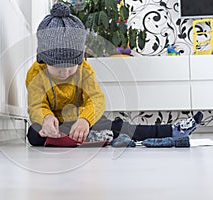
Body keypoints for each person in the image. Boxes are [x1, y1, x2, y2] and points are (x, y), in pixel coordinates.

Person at [25, 2, 203, 146]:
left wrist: (85, 120)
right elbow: (35, 105)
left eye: (71, 67)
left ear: (80, 59)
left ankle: (172, 130)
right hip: (55, 125)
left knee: (120, 126)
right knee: (34, 135)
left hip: (82, 120)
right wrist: (46, 118)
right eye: (57, 67)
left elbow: (96, 99)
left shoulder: (84, 70)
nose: (64, 73)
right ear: (43, 59)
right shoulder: (35, 74)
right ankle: (91, 136)